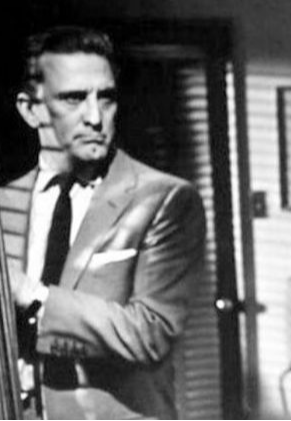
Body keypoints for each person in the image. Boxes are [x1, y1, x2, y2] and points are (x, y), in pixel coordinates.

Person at [0, 26, 206, 420]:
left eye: (106, 98)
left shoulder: (165, 200)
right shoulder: (5, 205)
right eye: (74, 98)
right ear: (30, 109)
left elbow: (151, 333)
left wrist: (32, 294)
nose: (95, 117)